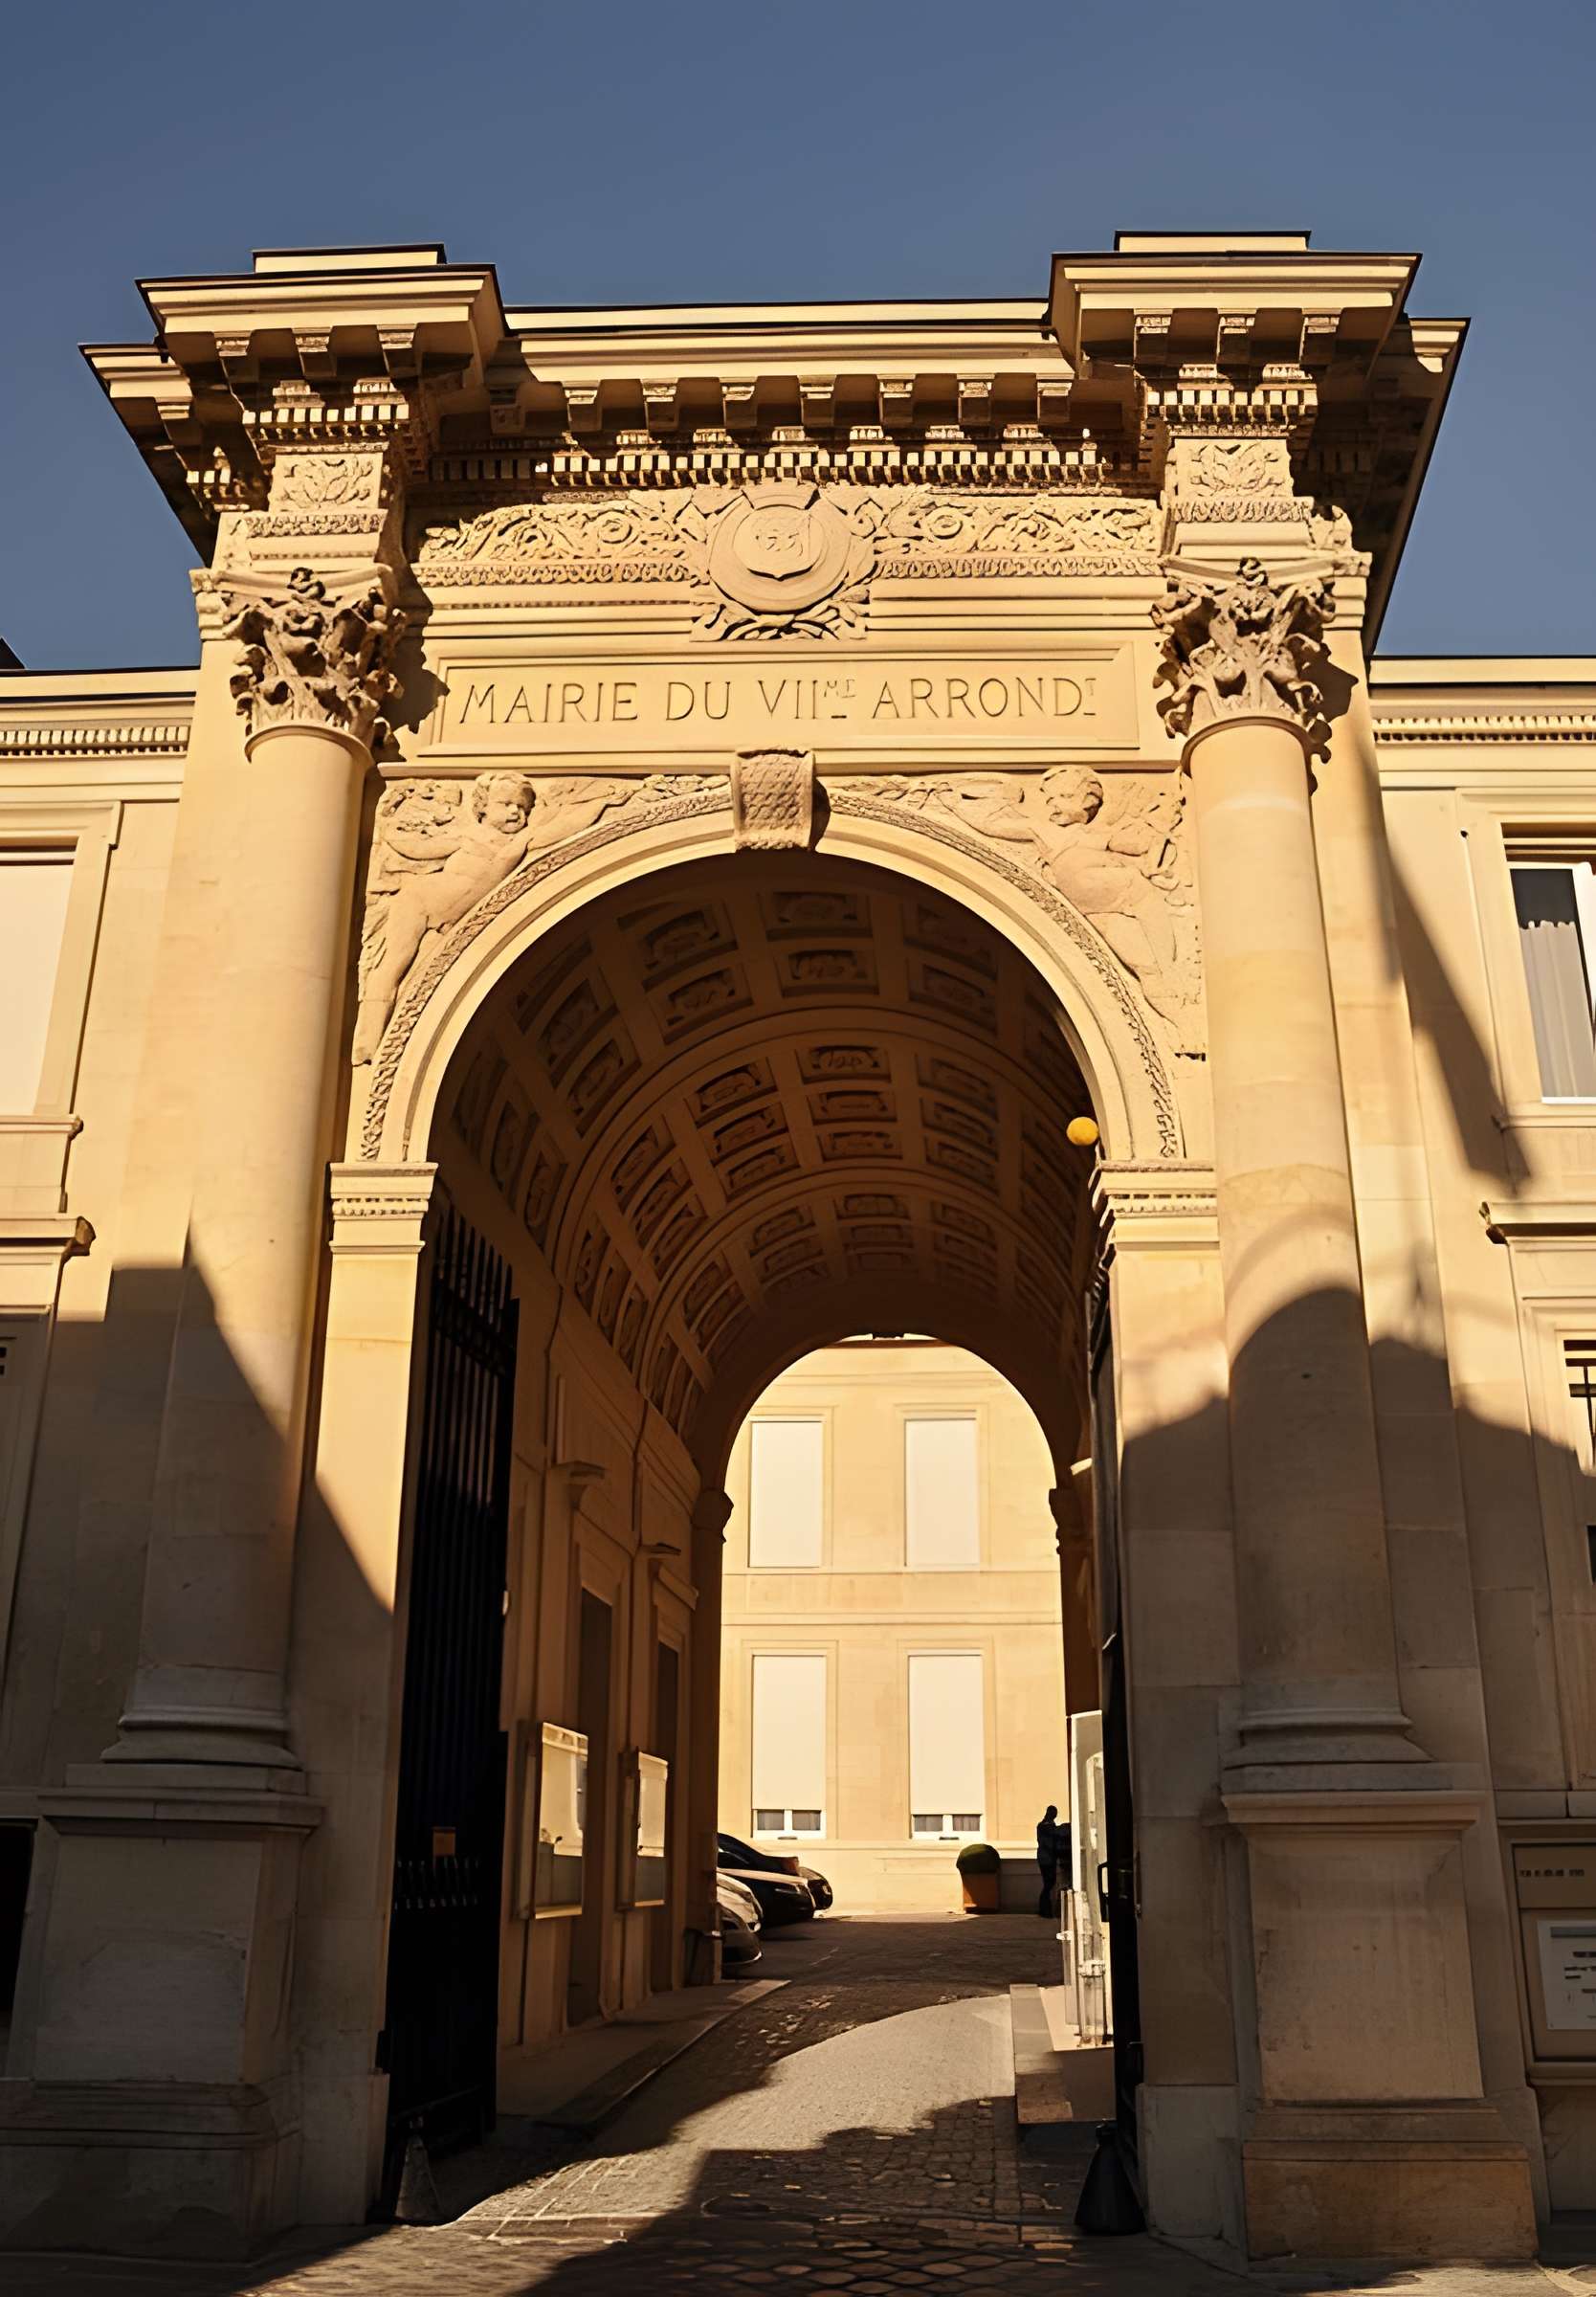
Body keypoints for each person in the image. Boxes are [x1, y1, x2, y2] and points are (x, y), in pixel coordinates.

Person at [1036, 1804, 1069, 1918]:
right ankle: (1045, 1910)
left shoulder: (1046, 1826)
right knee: (1049, 1883)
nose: (1055, 1816)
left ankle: (1044, 1909)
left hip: (1046, 1859)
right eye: (1054, 1813)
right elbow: (1054, 1836)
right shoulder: (1045, 1826)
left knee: (1049, 1884)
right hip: (1047, 1859)